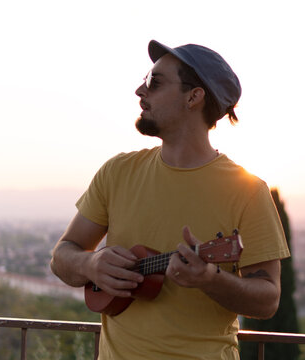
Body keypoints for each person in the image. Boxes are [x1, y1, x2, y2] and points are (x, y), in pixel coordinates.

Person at [50, 40, 290, 360]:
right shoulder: (118, 172)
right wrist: (90, 263)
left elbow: (268, 300)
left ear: (193, 97)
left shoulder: (248, 190)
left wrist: (210, 279)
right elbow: (62, 256)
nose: (139, 90)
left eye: (154, 81)